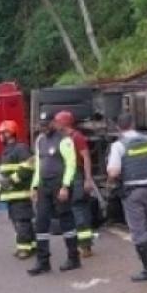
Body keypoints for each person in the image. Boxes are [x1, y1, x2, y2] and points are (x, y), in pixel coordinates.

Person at [106, 112, 147, 281]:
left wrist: (111, 179)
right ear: (133, 124)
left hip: (133, 193)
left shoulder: (118, 146)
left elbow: (114, 172)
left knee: (139, 230)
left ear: (119, 127)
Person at [28, 111, 81, 275]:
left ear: (54, 123)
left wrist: (65, 186)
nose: (43, 128)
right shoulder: (40, 140)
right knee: (41, 222)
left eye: (46, 125)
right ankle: (43, 261)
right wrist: (34, 186)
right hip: (44, 186)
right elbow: (39, 164)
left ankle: (73, 257)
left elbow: (71, 164)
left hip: (59, 185)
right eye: (41, 125)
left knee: (66, 220)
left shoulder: (65, 140)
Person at [56, 110, 97, 257]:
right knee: (78, 210)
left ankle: (85, 246)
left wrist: (87, 178)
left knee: (79, 209)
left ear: (63, 123)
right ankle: (85, 244)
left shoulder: (76, 137)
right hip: (73, 176)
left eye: (57, 121)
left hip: (78, 176)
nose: (55, 124)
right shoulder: (66, 138)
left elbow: (85, 157)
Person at [0, 120, 36, 260]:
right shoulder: (7, 151)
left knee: (21, 221)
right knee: (18, 220)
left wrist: (11, 180)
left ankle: (24, 249)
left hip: (21, 193)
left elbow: (29, 167)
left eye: (2, 133)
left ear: (10, 134)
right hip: (12, 195)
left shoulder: (21, 149)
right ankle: (31, 245)